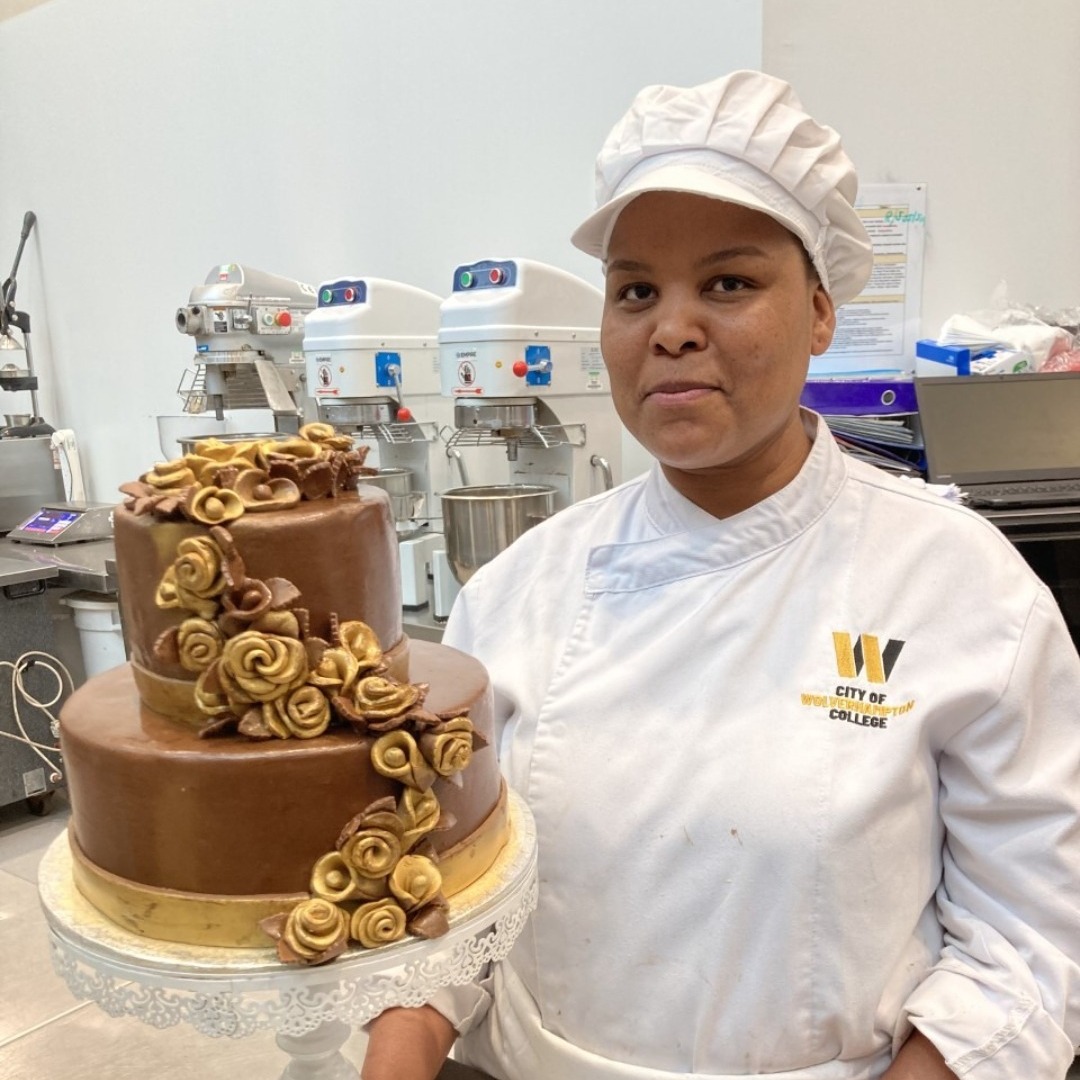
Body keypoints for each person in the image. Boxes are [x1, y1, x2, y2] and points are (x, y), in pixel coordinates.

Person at [362, 70, 1080, 1080]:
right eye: (636, 290)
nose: (672, 328)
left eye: (730, 283)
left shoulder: (962, 588)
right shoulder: (519, 592)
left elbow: (1030, 944)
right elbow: (443, 896)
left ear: (822, 312)